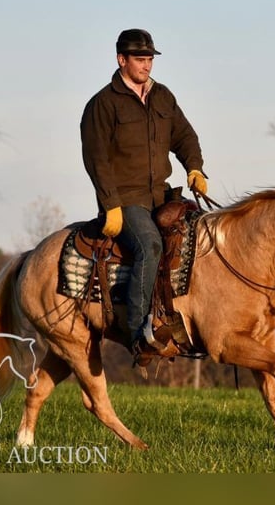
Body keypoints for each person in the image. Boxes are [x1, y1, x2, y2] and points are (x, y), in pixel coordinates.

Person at [80, 28, 208, 362]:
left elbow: (185, 136)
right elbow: (96, 159)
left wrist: (194, 167)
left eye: (150, 59)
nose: (147, 65)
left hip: (161, 195)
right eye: (140, 59)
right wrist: (111, 206)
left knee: (202, 234)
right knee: (149, 246)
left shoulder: (163, 97)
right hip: (125, 199)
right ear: (122, 60)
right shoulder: (103, 104)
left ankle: (196, 324)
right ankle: (141, 335)